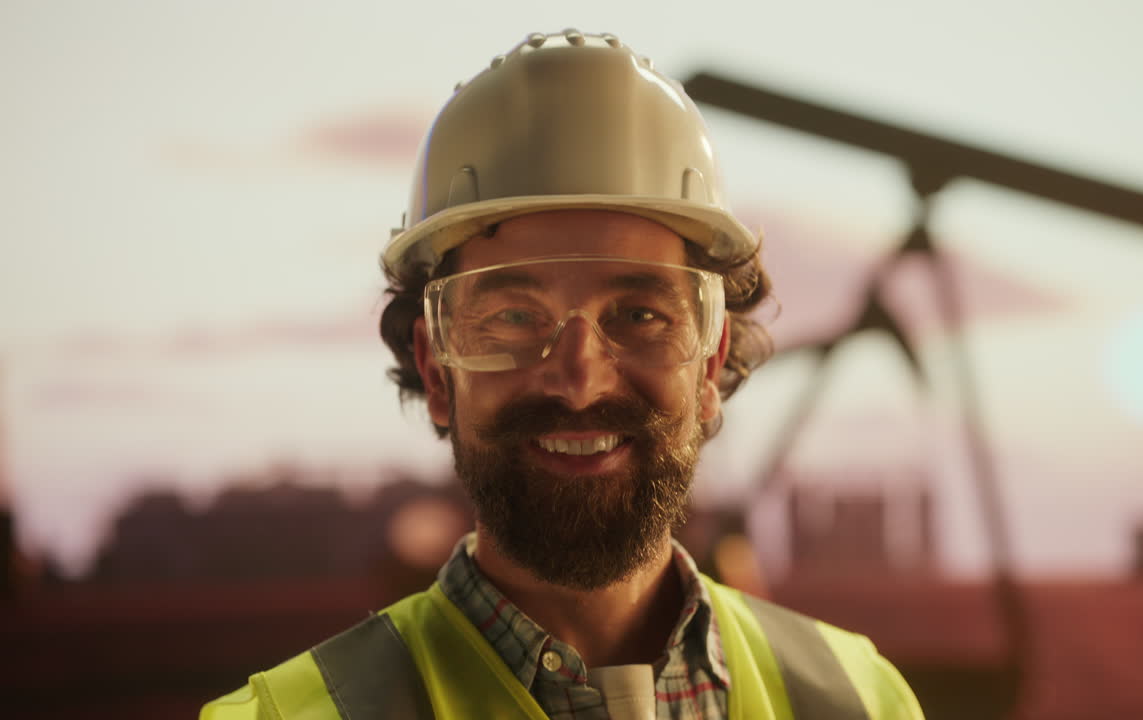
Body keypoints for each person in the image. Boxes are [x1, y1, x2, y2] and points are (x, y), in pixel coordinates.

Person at [201, 29, 924, 720]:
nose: (580, 381)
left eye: (639, 315)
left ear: (708, 362)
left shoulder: (859, 701)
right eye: (514, 318)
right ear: (437, 367)